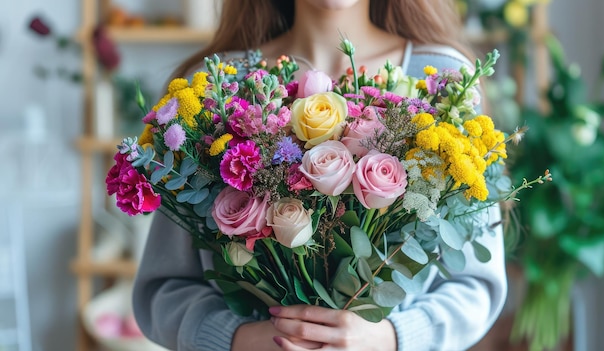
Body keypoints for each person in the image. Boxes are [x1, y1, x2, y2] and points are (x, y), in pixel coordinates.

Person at [132, 1, 508, 350]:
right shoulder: (212, 85)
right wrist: (238, 340)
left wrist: (391, 339)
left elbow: (475, 284)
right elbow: (163, 288)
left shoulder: (448, 83)